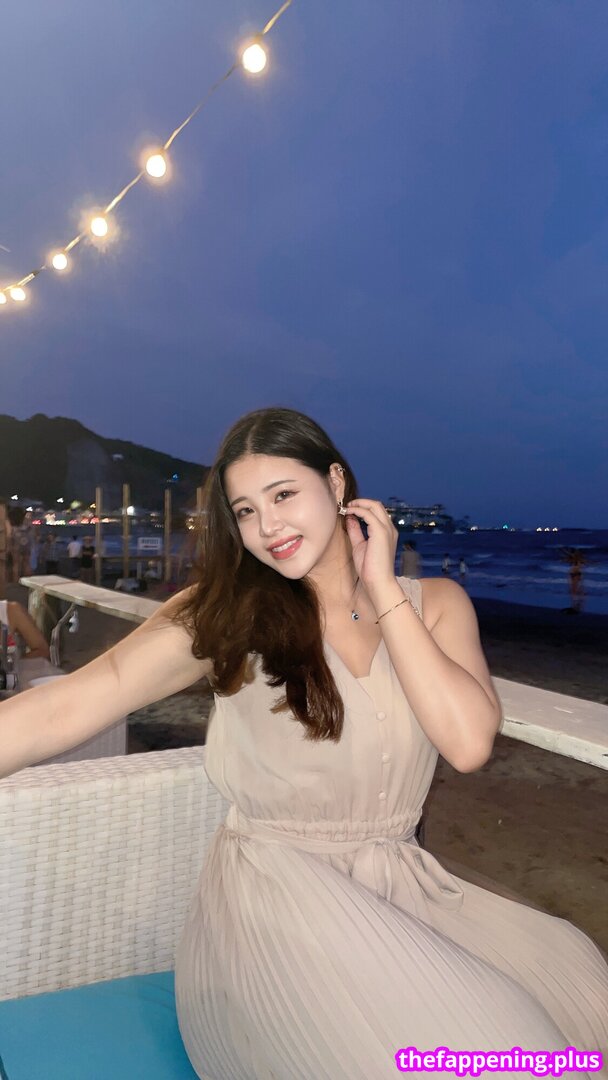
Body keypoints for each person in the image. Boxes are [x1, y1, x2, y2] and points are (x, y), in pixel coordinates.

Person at [0, 407, 606, 1080]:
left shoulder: (433, 603)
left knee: (581, 993)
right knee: (496, 1057)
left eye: (284, 495)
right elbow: (67, 704)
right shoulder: (223, 615)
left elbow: (466, 744)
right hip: (275, 904)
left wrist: (383, 589)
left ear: (336, 483)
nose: (269, 527)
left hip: (402, 890)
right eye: (246, 511)